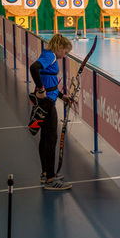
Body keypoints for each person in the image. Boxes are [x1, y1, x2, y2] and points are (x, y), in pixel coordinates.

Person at [30, 33, 73, 190]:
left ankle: (46, 173)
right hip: (47, 103)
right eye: (65, 52)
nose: (65, 56)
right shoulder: (51, 56)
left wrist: (62, 96)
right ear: (59, 47)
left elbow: (49, 81)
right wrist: (40, 88)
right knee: (50, 140)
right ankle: (50, 180)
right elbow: (34, 68)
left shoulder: (48, 54)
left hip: (47, 101)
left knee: (45, 138)